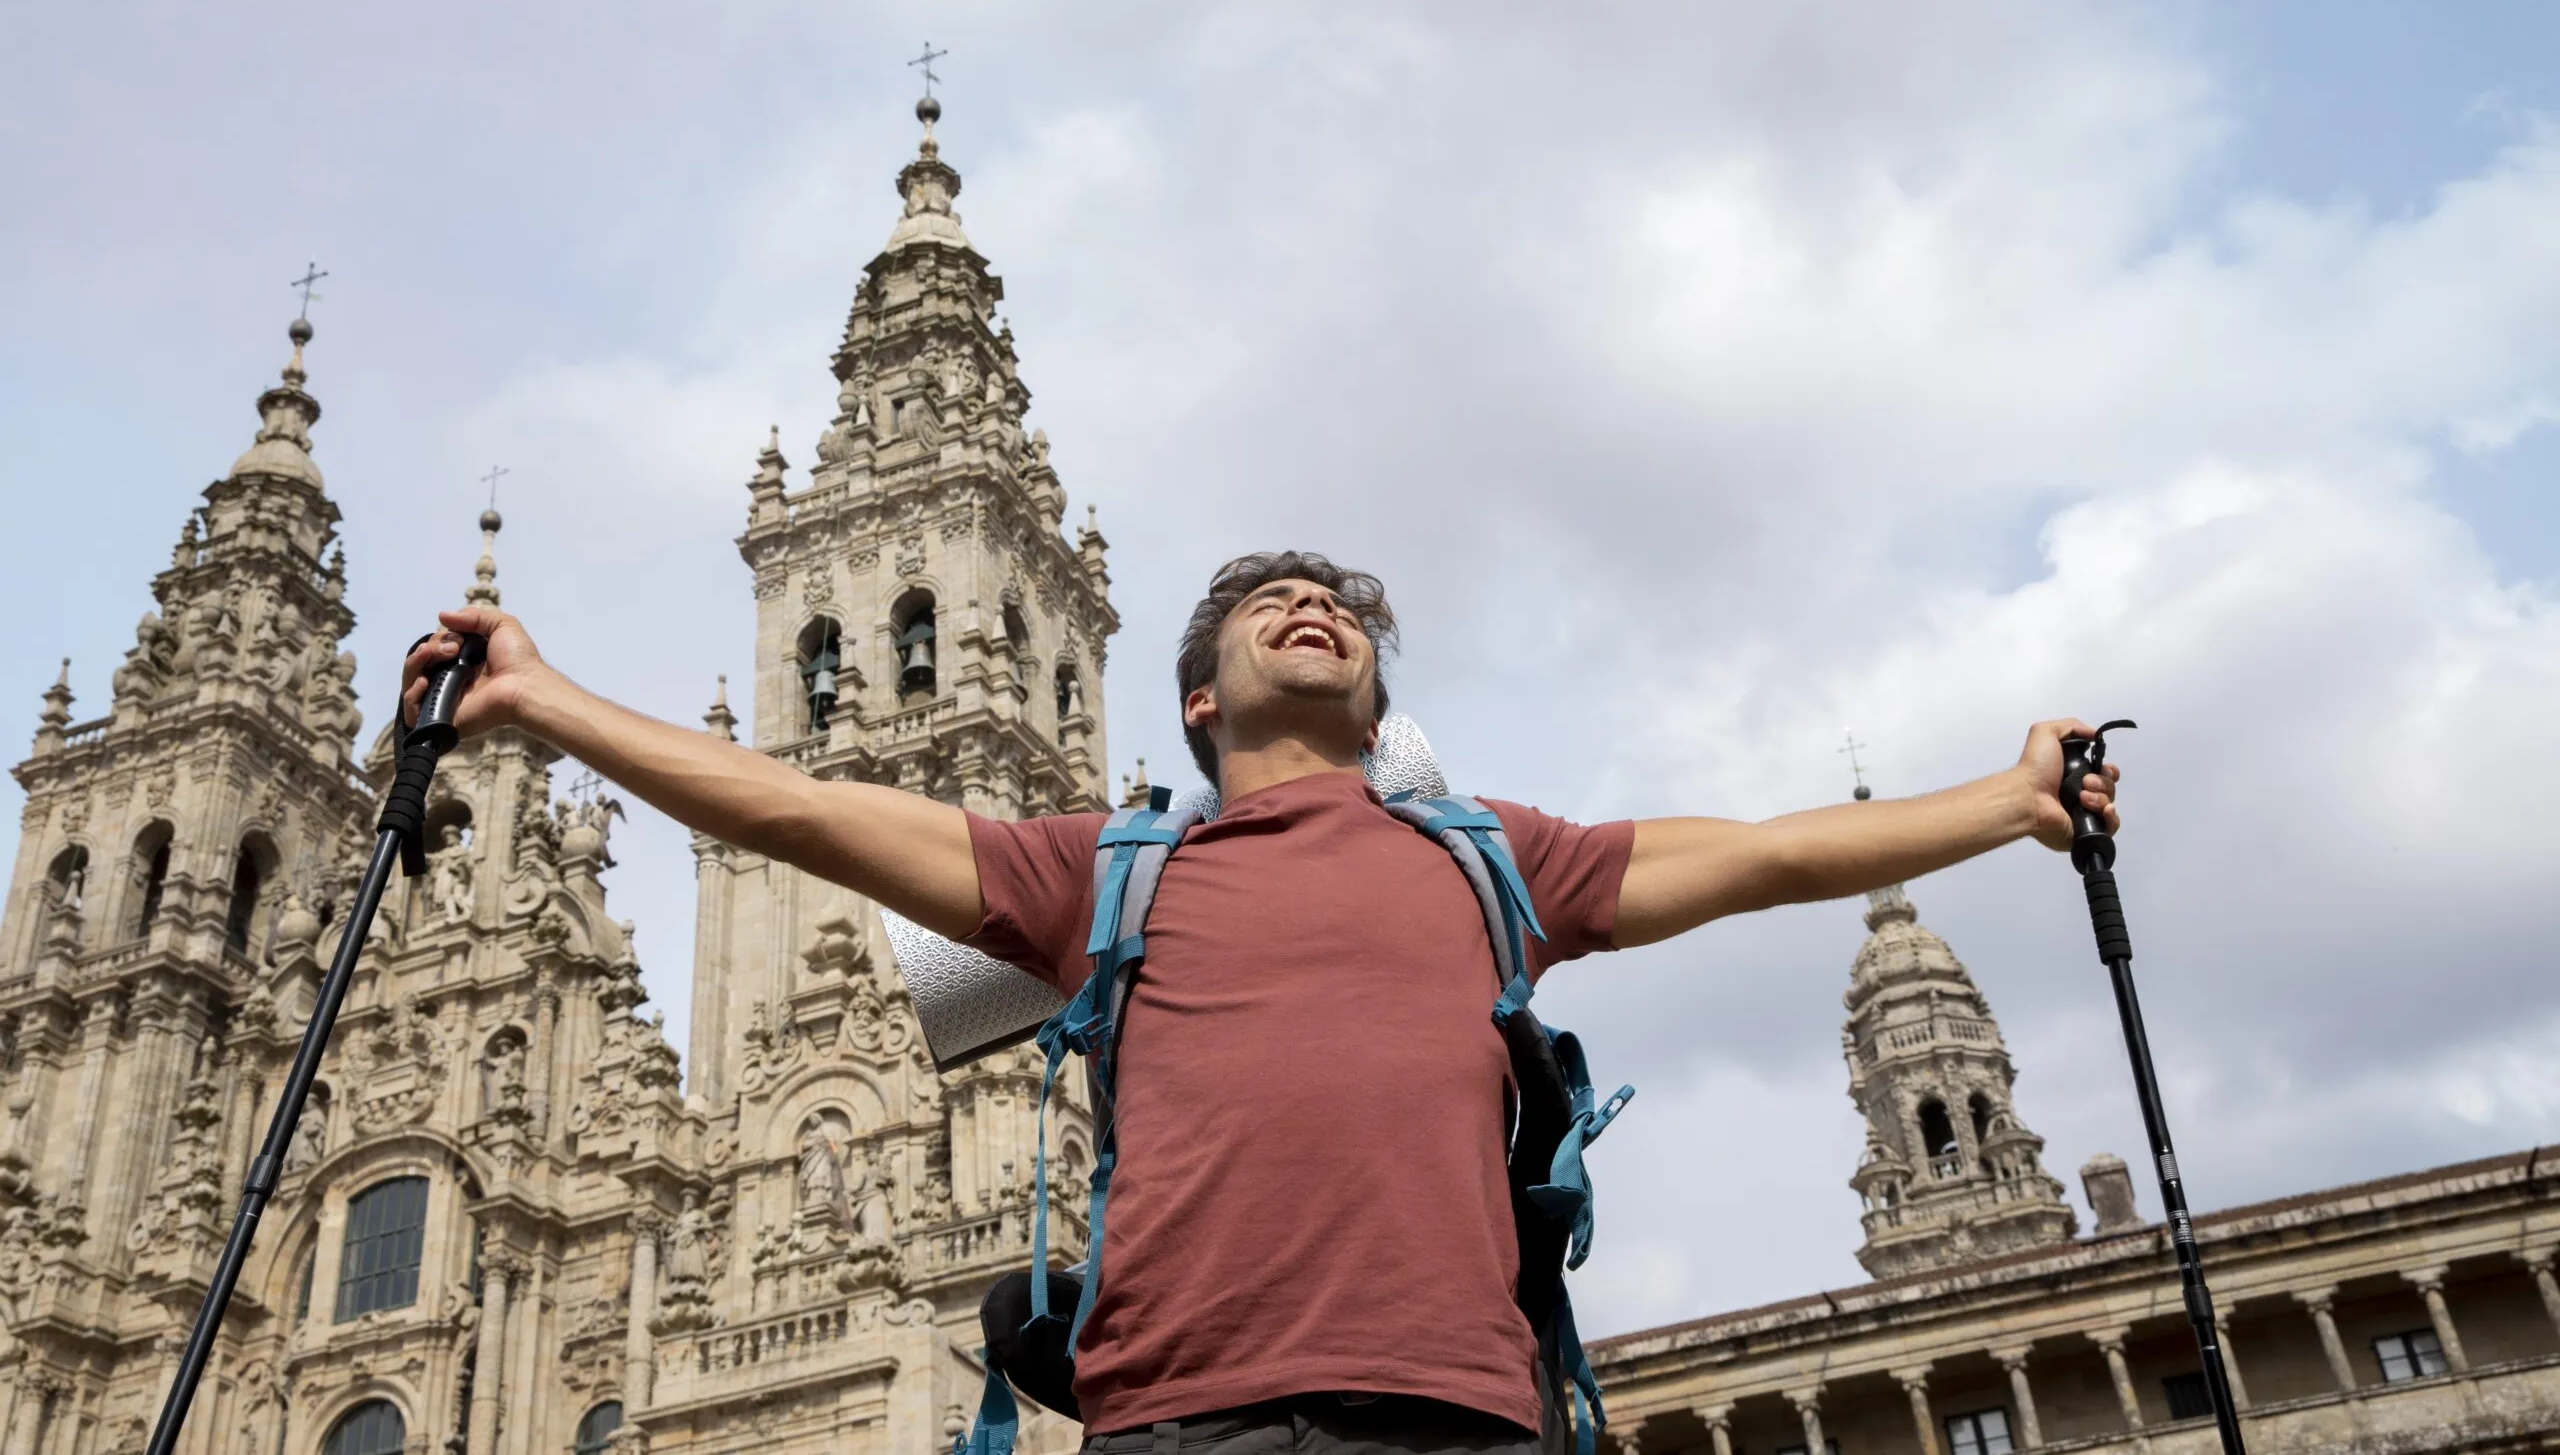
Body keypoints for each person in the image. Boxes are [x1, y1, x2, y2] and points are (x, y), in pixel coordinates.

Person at [404, 551, 2119, 1455]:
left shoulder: (1490, 857)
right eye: (1268, 606)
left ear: (1378, 693)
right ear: (1199, 694)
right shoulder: (1105, 872)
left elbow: (1758, 854)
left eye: (1349, 614)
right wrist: (546, 704)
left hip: (1463, 1408)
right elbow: (794, 807)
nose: (1316, 611)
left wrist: (2008, 800)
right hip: (1183, 1422)